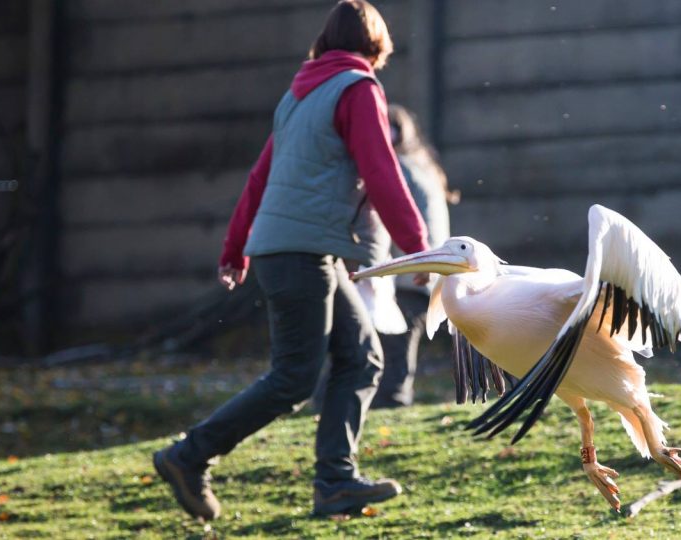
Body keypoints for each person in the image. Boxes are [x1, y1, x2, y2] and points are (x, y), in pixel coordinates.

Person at [152, 0, 430, 520]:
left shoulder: (298, 96)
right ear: (376, 46)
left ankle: (336, 484)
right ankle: (187, 456)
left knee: (362, 358)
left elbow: (260, 177)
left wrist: (235, 247)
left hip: (296, 250)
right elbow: (383, 172)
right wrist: (419, 250)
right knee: (294, 379)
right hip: (301, 253)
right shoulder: (358, 88)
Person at [370, 104, 456, 408]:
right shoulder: (423, 165)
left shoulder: (398, 167)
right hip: (425, 276)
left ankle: (392, 407)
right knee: (393, 353)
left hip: (410, 277)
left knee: (392, 357)